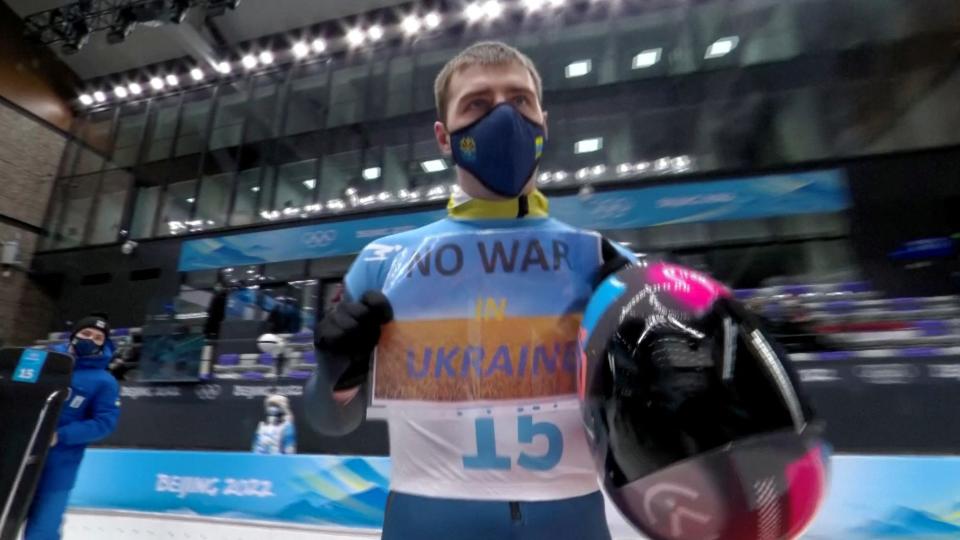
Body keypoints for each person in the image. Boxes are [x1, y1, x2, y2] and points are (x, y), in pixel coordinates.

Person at [304, 41, 632, 539]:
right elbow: (327, 422)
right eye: (477, 104)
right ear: (444, 135)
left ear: (543, 120)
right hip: (426, 521)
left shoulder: (602, 260)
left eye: (520, 101)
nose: (504, 116)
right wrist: (337, 372)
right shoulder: (382, 262)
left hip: (570, 521)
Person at [23, 314, 121, 540]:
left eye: (98, 337)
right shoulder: (44, 362)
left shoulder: (104, 382)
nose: (91, 339)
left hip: (59, 467)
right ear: (74, 335)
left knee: (43, 530)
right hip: (18, 454)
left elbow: (105, 422)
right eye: (86, 333)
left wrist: (60, 436)